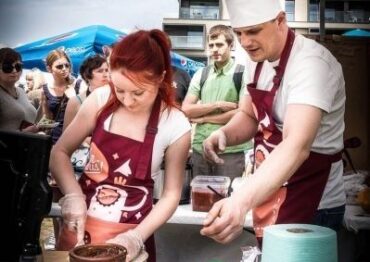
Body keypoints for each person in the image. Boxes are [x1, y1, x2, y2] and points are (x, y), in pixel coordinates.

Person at [201, 0, 346, 246]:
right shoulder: (254, 59)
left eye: (254, 31)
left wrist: (240, 201)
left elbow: (296, 146)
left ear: (280, 21)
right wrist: (225, 133)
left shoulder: (312, 64)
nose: (245, 42)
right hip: (270, 187)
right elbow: (249, 115)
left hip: (313, 199)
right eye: (239, 34)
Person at [49, 29, 191, 261]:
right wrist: (73, 195)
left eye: (138, 92)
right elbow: (60, 152)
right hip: (79, 229)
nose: (127, 100)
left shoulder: (176, 124)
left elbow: (171, 195)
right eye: (120, 89)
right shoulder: (101, 99)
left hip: (132, 235)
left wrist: (136, 237)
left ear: (160, 77)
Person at [182, 24, 252, 180]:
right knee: (200, 199)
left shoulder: (242, 73)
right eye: (211, 45)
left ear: (231, 45)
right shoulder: (202, 73)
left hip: (230, 149)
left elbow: (242, 113)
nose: (214, 49)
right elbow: (186, 109)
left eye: (220, 45)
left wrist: (204, 118)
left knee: (228, 200)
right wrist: (218, 105)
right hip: (200, 148)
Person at [41, 49, 87, 144]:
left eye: (67, 65)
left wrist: (74, 98)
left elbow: (86, 114)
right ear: (49, 69)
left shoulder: (79, 85)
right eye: (59, 66)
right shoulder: (45, 90)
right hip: (55, 141)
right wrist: (38, 128)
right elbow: (48, 119)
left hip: (76, 140)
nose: (64, 69)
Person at [63, 55, 109, 130]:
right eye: (100, 71)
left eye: (107, 70)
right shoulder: (75, 101)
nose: (105, 75)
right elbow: (66, 132)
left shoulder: (114, 97)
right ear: (87, 75)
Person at [0, 47, 39, 132]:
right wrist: (24, 133)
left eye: (18, 67)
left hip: (30, 143)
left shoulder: (21, 91)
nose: (14, 71)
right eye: (7, 67)